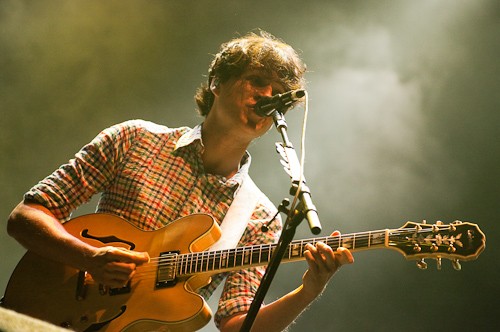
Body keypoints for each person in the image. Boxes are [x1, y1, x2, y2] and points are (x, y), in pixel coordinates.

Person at [7, 30, 353, 331]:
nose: (267, 96)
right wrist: (89, 258)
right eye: (258, 80)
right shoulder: (134, 140)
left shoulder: (259, 218)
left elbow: (237, 323)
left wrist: (308, 290)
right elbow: (26, 217)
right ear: (217, 81)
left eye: (279, 92)